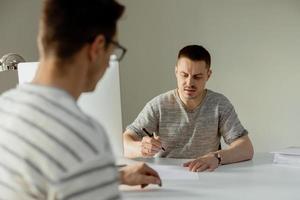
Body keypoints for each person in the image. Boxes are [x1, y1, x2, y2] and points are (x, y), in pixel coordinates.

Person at [0, 0, 161, 199]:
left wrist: (110, 176)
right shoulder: (82, 137)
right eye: (113, 51)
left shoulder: (5, 106)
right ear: (97, 48)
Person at [123, 45, 254, 172]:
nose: (189, 83)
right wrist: (141, 147)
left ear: (208, 75)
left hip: (207, 174)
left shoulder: (220, 104)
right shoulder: (158, 105)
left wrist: (216, 157)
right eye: (184, 75)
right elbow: (125, 141)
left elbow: (246, 148)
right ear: (176, 72)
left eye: (197, 77)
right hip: (168, 176)